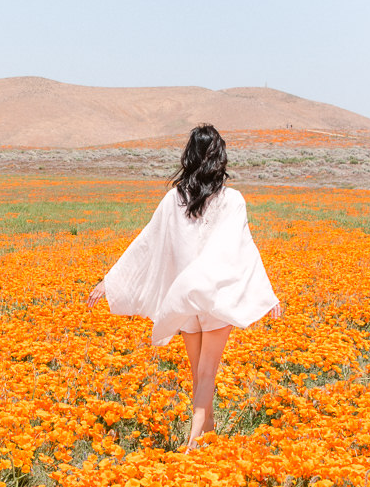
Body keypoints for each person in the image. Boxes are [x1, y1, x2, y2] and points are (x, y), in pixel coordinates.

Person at [87, 124, 281, 451]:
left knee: (198, 377)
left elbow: (146, 243)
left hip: (184, 298)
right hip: (214, 297)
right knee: (206, 377)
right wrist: (266, 293)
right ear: (219, 157)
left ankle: (208, 439)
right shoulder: (232, 200)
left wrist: (111, 280)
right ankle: (194, 447)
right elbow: (245, 247)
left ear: (189, 155)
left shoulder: (174, 199)